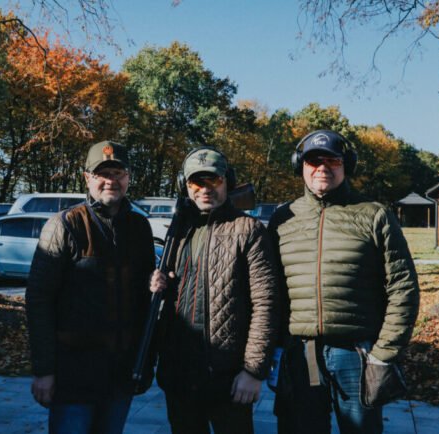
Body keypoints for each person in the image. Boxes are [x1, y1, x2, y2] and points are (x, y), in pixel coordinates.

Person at [269, 130, 420, 434]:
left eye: (332, 160)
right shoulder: (283, 218)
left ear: (346, 165)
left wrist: (384, 353)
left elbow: (403, 289)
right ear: (300, 165)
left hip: (356, 355)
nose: (322, 168)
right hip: (300, 354)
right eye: (313, 160)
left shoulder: (375, 215)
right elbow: (267, 288)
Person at [25, 141, 157, 434]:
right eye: (102, 173)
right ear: (87, 178)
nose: (111, 180)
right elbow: (38, 299)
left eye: (118, 173)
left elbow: (144, 302)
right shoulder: (65, 225)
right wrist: (44, 370)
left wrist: (145, 362)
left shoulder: (139, 228)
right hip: (74, 373)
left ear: (128, 178)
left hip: (121, 373)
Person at [150, 147, 279, 434]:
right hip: (179, 371)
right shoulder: (180, 228)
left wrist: (253, 371)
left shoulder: (248, 229)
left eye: (214, 180)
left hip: (227, 376)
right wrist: (158, 282)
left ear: (227, 182)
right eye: (196, 182)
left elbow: (266, 304)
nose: (205, 189)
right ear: (185, 186)